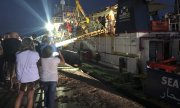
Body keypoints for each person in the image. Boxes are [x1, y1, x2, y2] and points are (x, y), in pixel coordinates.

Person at [15, 38, 40, 108]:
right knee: (30, 97)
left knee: (20, 95)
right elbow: (38, 62)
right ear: (31, 44)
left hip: (22, 78)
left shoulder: (17, 54)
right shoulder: (35, 54)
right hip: (32, 77)